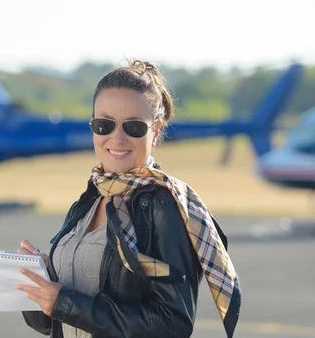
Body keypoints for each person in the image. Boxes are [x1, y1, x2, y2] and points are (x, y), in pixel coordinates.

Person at [16, 59, 241, 337]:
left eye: (134, 127)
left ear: (155, 131)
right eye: (104, 125)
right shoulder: (90, 197)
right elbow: (50, 323)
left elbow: (173, 325)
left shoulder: (164, 206)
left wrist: (65, 302)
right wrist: (40, 279)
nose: (117, 138)